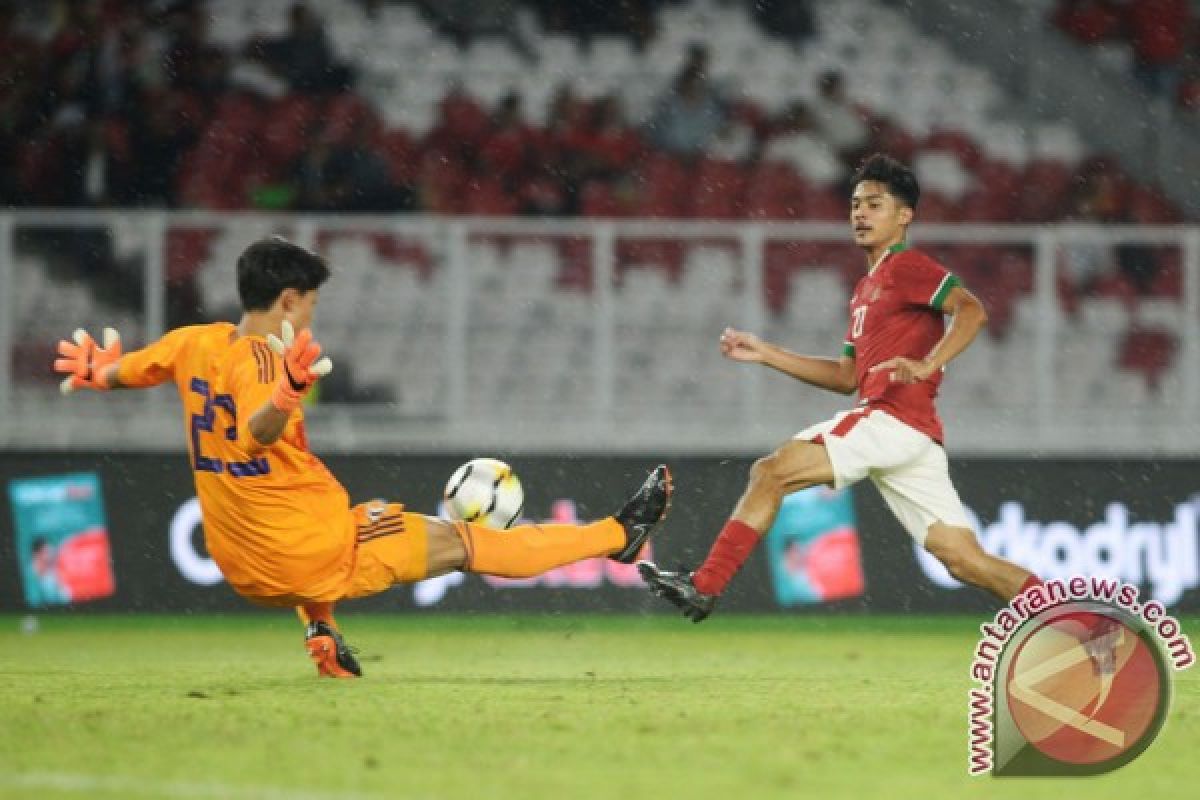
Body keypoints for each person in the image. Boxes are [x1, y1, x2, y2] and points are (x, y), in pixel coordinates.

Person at [54, 236, 673, 677]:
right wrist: (285, 396)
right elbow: (256, 434)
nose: (312, 313)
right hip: (312, 553)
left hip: (239, 563)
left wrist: (99, 371)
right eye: (312, 302)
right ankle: (616, 535)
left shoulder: (192, 342)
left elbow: (129, 371)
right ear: (290, 300)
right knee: (463, 542)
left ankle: (320, 630)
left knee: (344, 515)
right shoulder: (268, 363)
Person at [638, 154, 1044, 622]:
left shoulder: (907, 267)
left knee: (772, 471)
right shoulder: (867, 288)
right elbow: (845, 377)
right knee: (964, 560)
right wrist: (768, 354)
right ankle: (1089, 624)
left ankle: (705, 585)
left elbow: (971, 309)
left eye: (874, 204)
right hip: (913, 435)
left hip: (892, 419)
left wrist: (928, 363)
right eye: (855, 205)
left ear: (904, 216)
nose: (860, 214)